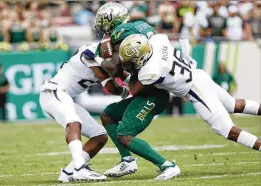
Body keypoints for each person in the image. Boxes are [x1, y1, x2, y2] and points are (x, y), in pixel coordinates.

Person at [118, 34, 261, 157]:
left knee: (227, 130)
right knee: (232, 104)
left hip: (195, 90)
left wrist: (118, 73)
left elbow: (134, 89)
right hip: (198, 75)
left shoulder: (148, 72)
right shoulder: (157, 40)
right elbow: (173, 38)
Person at [94, 3, 180, 180]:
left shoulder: (121, 34)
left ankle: (167, 166)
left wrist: (96, 58)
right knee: (108, 115)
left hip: (152, 93)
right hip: (148, 87)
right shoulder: (140, 25)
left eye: (104, 23)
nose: (103, 28)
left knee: (124, 135)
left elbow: (114, 67)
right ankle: (127, 160)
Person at [39, 42, 129, 182]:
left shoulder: (102, 55)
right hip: (53, 91)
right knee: (73, 122)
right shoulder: (90, 53)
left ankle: (69, 173)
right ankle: (80, 168)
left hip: (64, 96)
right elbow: (111, 88)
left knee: (99, 136)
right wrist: (125, 89)